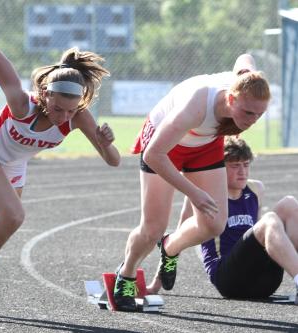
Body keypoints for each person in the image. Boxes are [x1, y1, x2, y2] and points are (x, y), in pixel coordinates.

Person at [0, 48, 120, 312]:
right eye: (58, 108)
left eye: (70, 111)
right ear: (45, 94)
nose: (63, 117)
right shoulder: (22, 104)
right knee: (13, 216)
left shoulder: (79, 117)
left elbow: (113, 160)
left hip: (13, 163)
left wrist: (105, 145)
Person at [113, 54, 271, 311]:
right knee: (152, 228)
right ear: (230, 98)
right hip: (165, 147)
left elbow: (246, 57)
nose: (252, 120)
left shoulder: (245, 84)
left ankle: (170, 247)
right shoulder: (198, 103)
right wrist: (194, 193)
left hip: (204, 144)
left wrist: (248, 72)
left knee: (214, 223)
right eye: (247, 112)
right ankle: (127, 274)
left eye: (259, 114)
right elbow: (154, 155)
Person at [148, 137, 298, 304]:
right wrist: (155, 285)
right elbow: (177, 240)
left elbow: (260, 237)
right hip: (229, 279)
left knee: (289, 204)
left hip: (265, 282)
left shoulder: (256, 189)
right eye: (235, 166)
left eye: (246, 165)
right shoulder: (201, 195)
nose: (243, 172)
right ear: (219, 169)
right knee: (270, 219)